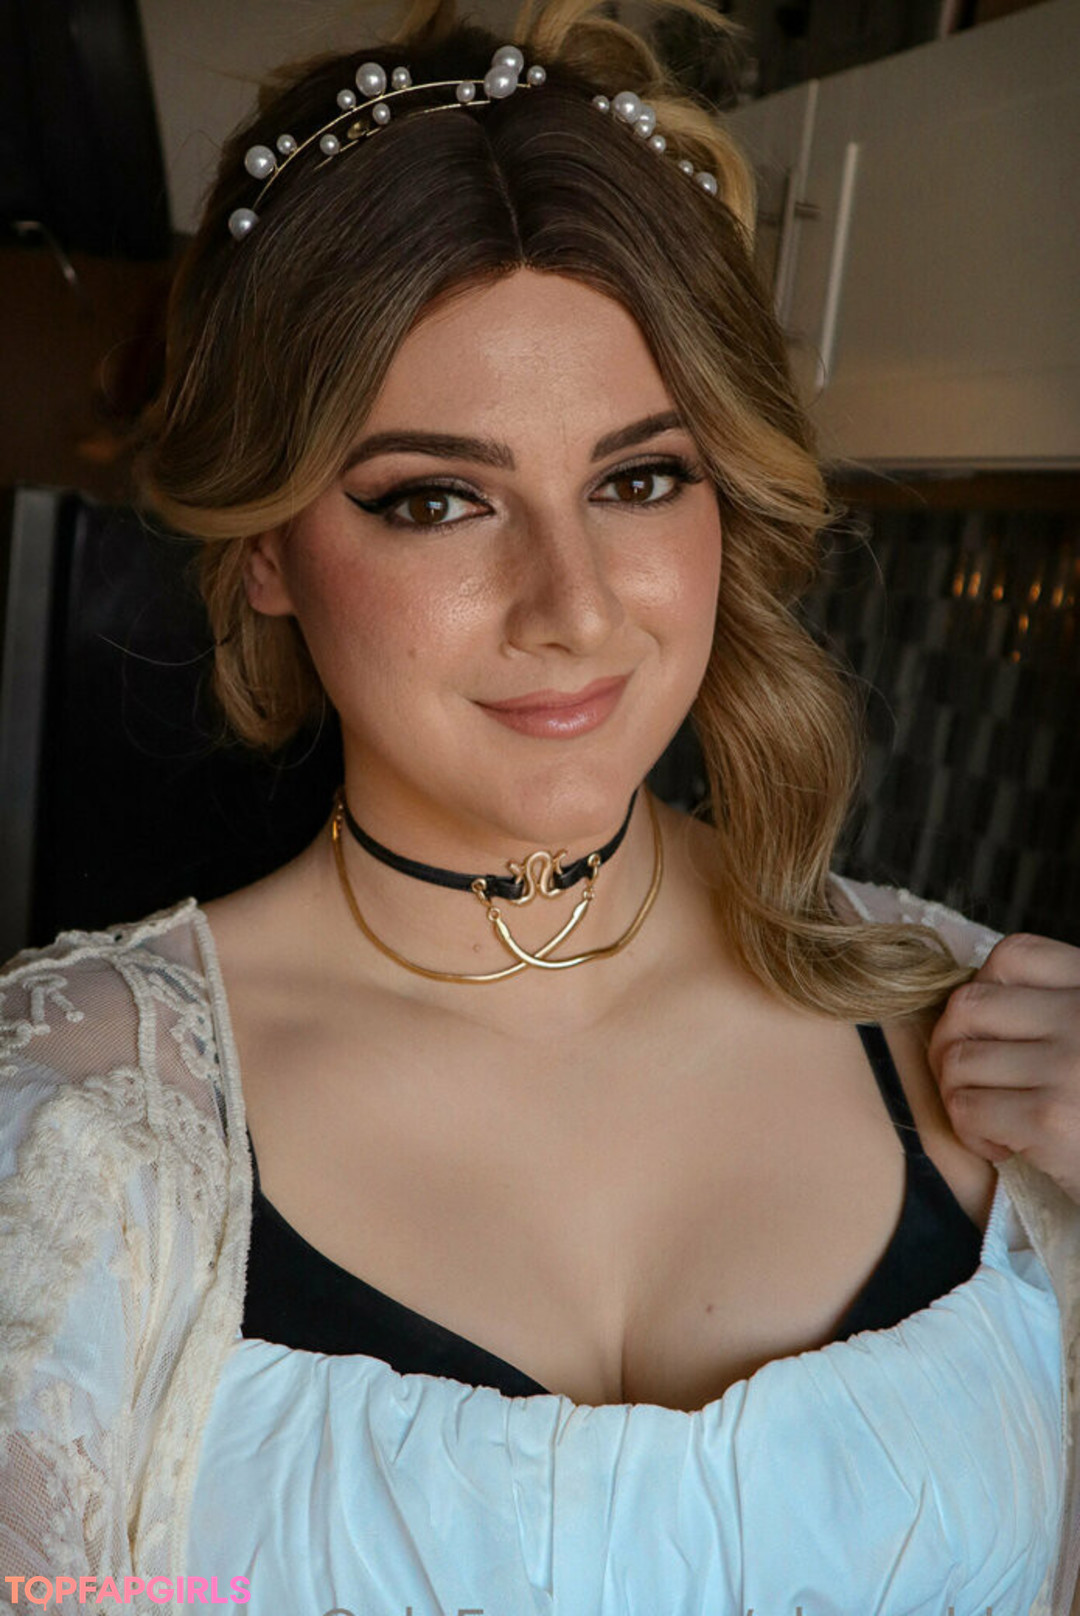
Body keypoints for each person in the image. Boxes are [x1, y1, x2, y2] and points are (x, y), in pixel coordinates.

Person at [2, 0, 1080, 1610]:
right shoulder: (64, 1131)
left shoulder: (989, 1031)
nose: (571, 605)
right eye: (438, 499)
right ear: (268, 548)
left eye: (639, 478)